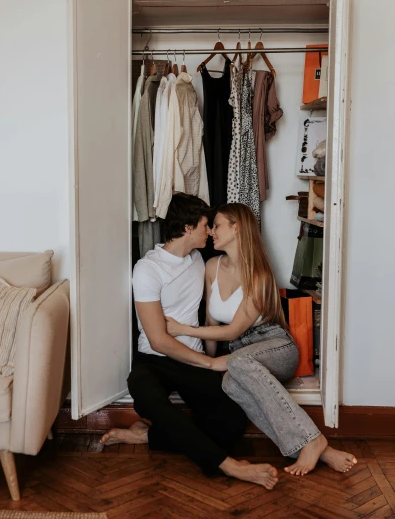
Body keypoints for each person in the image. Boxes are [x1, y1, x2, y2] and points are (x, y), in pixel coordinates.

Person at [100, 193, 280, 490]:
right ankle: (229, 466)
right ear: (187, 227)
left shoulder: (198, 260)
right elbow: (158, 340)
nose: (210, 231)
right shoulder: (148, 269)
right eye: (206, 225)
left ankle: (147, 436)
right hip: (156, 360)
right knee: (145, 394)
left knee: (232, 422)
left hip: (192, 359)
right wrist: (210, 363)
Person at [164, 202, 357, 476]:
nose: (211, 232)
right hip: (241, 354)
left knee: (237, 364)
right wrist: (209, 361)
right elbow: (211, 323)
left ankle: (312, 441)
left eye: (216, 225)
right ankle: (318, 448)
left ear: (236, 227)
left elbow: (231, 331)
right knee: (231, 382)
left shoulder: (260, 275)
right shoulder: (211, 267)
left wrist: (184, 330)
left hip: (275, 346)